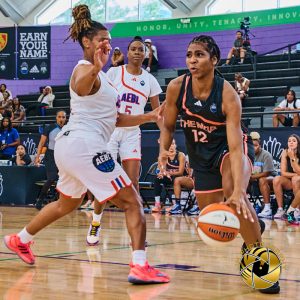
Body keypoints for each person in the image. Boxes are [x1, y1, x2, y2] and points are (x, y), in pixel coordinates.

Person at [3, 4, 169, 285]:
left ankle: (20, 239)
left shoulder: (103, 77)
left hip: (72, 146)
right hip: (84, 145)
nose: (107, 44)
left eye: (109, 40)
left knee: (66, 204)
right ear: (86, 42)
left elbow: (116, 119)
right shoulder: (84, 70)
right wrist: (95, 67)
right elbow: (80, 86)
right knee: (132, 202)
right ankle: (140, 265)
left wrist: (151, 115)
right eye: (101, 40)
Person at [158, 35, 278, 294]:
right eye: (189, 54)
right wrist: (162, 151)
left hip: (227, 150)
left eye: (199, 54)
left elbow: (236, 149)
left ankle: (259, 259)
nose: (192, 60)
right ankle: (254, 225)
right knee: (212, 216)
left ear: (214, 60)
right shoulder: (177, 87)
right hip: (200, 157)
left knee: (235, 195)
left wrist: (238, 191)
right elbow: (167, 125)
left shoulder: (227, 94)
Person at [86, 36, 163, 245]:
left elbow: (158, 114)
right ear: (127, 53)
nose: (138, 52)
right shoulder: (113, 72)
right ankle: (95, 222)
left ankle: (136, 232)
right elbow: (97, 94)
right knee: (104, 181)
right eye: (134, 49)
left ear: (146, 54)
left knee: (133, 183)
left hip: (131, 132)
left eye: (141, 50)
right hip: (110, 131)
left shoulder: (150, 80)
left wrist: (165, 138)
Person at [34, 110, 67, 210]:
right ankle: (40, 199)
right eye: (59, 117)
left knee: (63, 179)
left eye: (63, 117)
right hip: (50, 155)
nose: (61, 119)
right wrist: (37, 157)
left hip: (63, 155)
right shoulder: (49, 128)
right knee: (52, 178)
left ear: (66, 118)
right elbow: (41, 143)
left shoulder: (68, 128)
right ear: (56, 118)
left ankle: (60, 200)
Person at [152, 139, 187, 213]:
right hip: (170, 178)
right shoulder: (163, 157)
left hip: (181, 179)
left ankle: (176, 204)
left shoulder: (181, 155)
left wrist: (168, 173)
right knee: (158, 178)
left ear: (175, 145)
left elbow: (180, 172)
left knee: (176, 179)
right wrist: (162, 173)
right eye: (169, 145)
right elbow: (162, 170)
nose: (171, 146)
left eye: (173, 144)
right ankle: (157, 203)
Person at [248, 132, 276, 219]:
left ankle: (267, 208)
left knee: (262, 179)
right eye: (252, 146)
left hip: (270, 179)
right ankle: (244, 206)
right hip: (253, 180)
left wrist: (251, 177)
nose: (253, 148)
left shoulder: (266, 154)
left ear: (260, 145)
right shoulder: (247, 155)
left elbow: (267, 173)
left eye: (256, 145)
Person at [273, 134, 300, 219]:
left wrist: (292, 157)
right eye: (289, 141)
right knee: (277, 179)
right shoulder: (285, 152)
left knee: (296, 179)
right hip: (291, 181)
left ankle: (297, 210)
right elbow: (283, 173)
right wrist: (296, 175)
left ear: (298, 143)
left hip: (297, 181)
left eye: (294, 141)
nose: (291, 142)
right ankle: (280, 209)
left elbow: (298, 170)